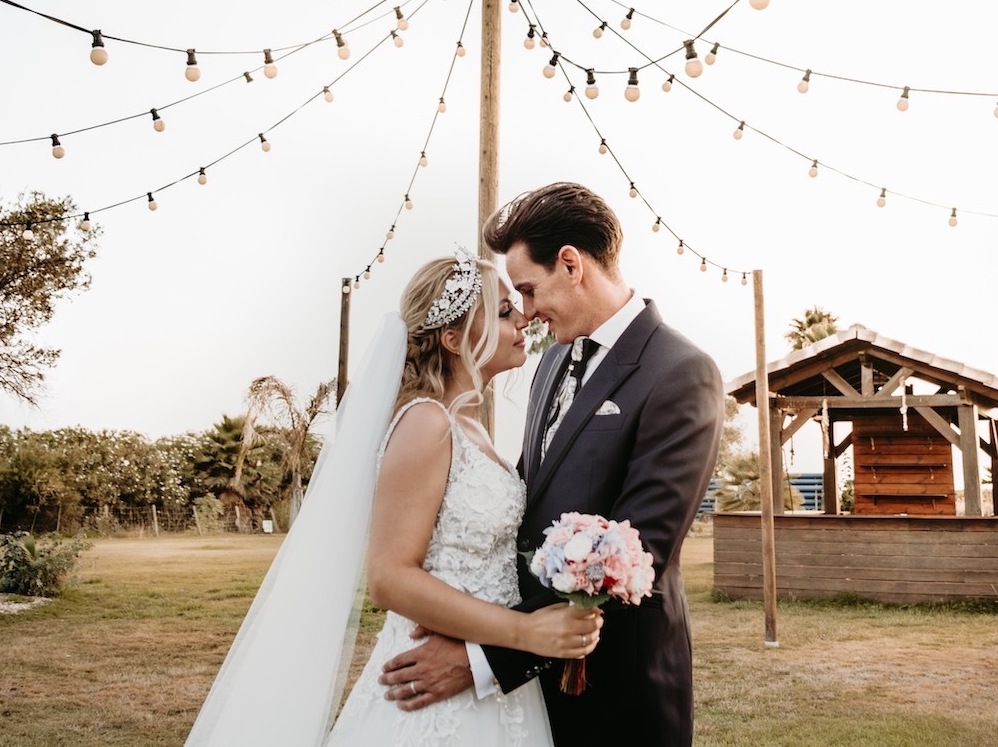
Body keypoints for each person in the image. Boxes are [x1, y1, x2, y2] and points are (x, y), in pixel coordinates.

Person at [186, 247, 601, 746]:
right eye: (504, 310)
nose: (524, 319)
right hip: (431, 687)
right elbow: (389, 577)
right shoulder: (426, 422)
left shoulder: (474, 427)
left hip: (492, 684)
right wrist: (524, 634)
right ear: (452, 338)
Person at [378, 183, 725, 747]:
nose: (528, 313)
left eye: (528, 290)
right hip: (532, 692)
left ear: (571, 264)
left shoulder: (680, 371)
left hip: (618, 694)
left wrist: (481, 659)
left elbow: (639, 553)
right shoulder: (552, 363)